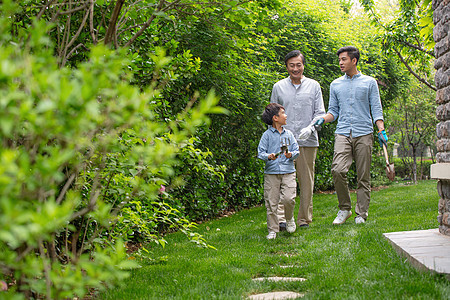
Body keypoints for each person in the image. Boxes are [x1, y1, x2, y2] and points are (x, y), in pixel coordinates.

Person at [314, 46, 388, 225]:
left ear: (354, 61)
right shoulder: (335, 84)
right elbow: (333, 112)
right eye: (339, 59)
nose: (340, 63)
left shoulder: (369, 82)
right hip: (343, 132)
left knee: (363, 176)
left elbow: (376, 109)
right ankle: (344, 208)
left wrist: (381, 129)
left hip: (364, 133)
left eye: (343, 59)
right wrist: (323, 119)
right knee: (337, 170)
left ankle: (361, 213)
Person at [270, 50, 326, 230]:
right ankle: (281, 220)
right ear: (286, 66)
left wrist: (311, 128)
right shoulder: (278, 87)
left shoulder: (314, 86)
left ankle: (303, 219)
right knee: (282, 180)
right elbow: (272, 114)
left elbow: (320, 113)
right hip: (283, 143)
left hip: (307, 141)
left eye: (298, 65)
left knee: (306, 180)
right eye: (291, 65)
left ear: (303, 65)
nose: (295, 68)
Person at [257, 103, 300, 239]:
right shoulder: (266, 136)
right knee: (271, 202)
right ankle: (273, 230)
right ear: (276, 118)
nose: (286, 116)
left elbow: (297, 151)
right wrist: (268, 156)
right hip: (272, 173)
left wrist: (291, 154)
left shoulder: (290, 134)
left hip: (288, 171)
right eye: (283, 113)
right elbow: (260, 153)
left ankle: (289, 219)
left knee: (289, 199)